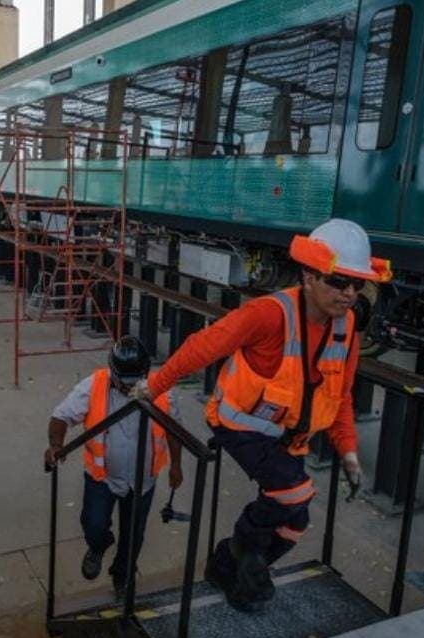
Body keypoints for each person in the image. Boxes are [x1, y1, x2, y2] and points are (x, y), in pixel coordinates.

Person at [131, 218, 391, 611]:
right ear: (308, 276)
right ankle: (244, 551)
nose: (350, 293)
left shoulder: (348, 327)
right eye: (338, 281)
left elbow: (341, 395)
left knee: (296, 523)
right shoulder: (268, 315)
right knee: (294, 491)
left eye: (358, 284)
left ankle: (228, 570)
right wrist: (154, 386)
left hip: (290, 437)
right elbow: (202, 347)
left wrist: (349, 451)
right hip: (240, 426)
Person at [45, 336, 183, 597]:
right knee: (93, 524)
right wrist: (55, 445)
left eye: (136, 382)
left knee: (133, 536)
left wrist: (176, 465)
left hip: (143, 480)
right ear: (113, 372)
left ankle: (123, 575)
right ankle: (98, 545)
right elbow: (60, 416)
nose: (130, 388)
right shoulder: (94, 385)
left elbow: (174, 430)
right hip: (103, 478)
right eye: (123, 383)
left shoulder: (161, 389)